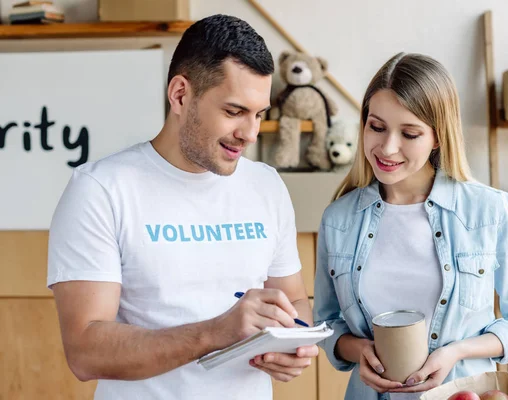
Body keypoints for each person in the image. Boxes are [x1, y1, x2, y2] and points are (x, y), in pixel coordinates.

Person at [47, 14, 318, 400]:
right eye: (234, 111)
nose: (250, 134)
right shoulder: (100, 190)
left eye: (259, 114)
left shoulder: (266, 186)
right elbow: (85, 352)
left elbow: (293, 299)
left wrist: (293, 340)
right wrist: (216, 332)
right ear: (180, 94)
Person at [313, 52, 508, 400]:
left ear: (438, 137)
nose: (387, 147)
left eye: (409, 133)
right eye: (376, 127)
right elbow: (327, 325)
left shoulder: (488, 211)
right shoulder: (338, 219)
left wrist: (455, 352)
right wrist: (357, 351)